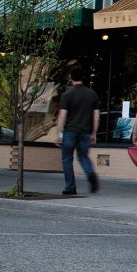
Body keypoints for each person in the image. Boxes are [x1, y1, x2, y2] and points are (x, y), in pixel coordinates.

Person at [56, 67, 101, 195]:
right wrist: (94, 133)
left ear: (71, 78)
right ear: (83, 78)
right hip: (85, 132)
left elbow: (62, 115)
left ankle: (70, 187)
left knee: (66, 159)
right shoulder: (92, 94)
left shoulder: (67, 95)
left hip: (70, 132)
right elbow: (96, 116)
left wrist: (58, 133)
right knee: (83, 157)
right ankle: (90, 173)